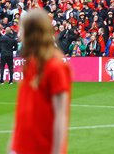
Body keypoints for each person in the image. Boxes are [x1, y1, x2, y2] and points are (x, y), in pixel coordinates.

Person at [9, 8, 72, 154]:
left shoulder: (56, 66)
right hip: (21, 146)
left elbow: (60, 115)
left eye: (22, 29)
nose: (20, 35)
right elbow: (22, 114)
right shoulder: (30, 63)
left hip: (42, 148)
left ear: (33, 33)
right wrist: (12, 147)